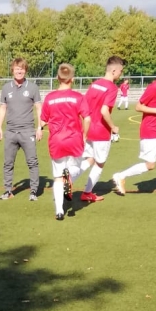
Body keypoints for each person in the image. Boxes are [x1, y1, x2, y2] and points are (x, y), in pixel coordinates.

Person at [112, 57, 156, 198]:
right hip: (150, 131)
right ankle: (120, 176)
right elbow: (138, 106)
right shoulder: (154, 87)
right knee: (150, 165)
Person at [38, 63, 89, 221]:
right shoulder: (78, 97)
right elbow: (87, 118)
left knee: (57, 177)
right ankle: (70, 176)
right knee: (78, 166)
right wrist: (85, 134)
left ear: (57, 78)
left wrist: (40, 127)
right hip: (74, 139)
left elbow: (43, 120)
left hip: (57, 141)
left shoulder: (50, 98)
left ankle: (59, 211)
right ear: (72, 79)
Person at [79, 56, 124, 203]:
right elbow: (104, 111)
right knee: (99, 163)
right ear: (114, 70)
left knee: (89, 159)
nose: (121, 74)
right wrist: (113, 127)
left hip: (88, 128)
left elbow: (84, 105)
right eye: (120, 71)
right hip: (101, 132)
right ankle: (87, 192)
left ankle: (68, 179)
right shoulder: (112, 88)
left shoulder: (95, 84)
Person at [0, 57, 42, 200]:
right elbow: (3, 108)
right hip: (11, 132)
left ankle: (33, 192)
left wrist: (39, 127)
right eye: (17, 69)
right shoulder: (6, 88)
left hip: (27, 131)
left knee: (32, 162)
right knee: (8, 163)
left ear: (25, 70)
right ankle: (7, 191)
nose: (19, 71)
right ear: (12, 70)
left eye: (22, 69)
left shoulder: (33, 88)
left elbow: (38, 107)